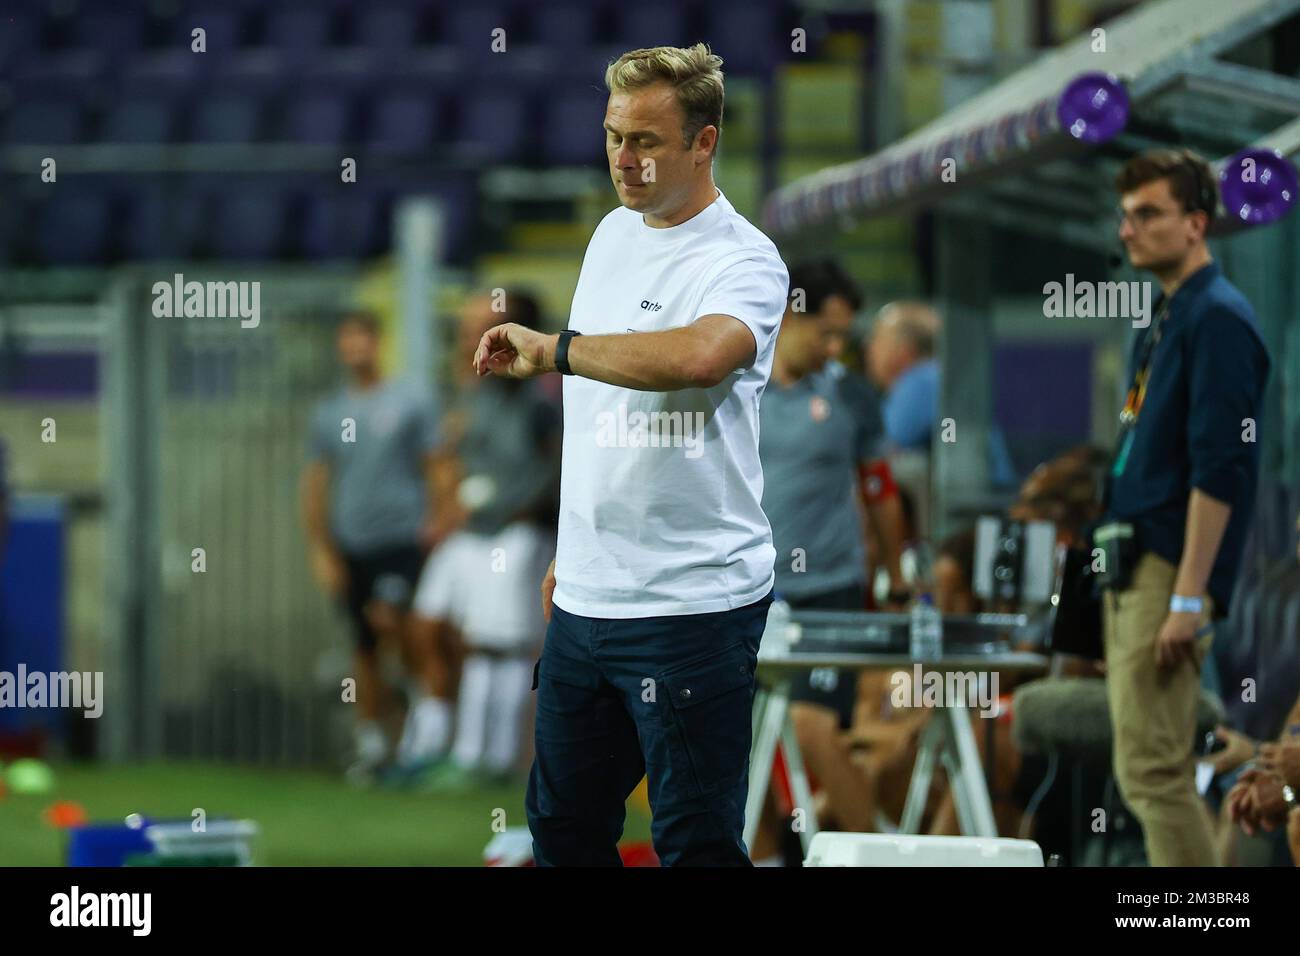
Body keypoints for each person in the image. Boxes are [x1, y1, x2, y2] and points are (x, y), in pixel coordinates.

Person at [470, 44, 788, 865]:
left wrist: (557, 350)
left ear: (703, 142)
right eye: (614, 137)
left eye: (647, 140)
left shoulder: (743, 257)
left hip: (692, 603)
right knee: (564, 836)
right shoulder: (610, 235)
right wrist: (572, 552)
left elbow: (699, 358)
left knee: (695, 843)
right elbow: (600, 410)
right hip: (586, 599)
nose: (624, 160)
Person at [1101, 147, 1271, 866]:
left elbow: (1221, 467)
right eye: (1125, 215)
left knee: (1154, 770)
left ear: (1196, 223)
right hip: (1137, 564)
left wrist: (1190, 597)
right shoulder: (1170, 314)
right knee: (1146, 766)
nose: (1128, 230)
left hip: (1170, 571)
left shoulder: (1220, 320)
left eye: (1148, 214)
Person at [752, 258, 904, 857]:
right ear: (789, 316)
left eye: (845, 334)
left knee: (815, 729)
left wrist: (896, 572)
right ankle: (766, 856)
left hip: (829, 589)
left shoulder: (851, 394)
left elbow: (880, 488)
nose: (837, 347)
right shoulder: (734, 382)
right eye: (827, 333)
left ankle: (873, 856)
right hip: (747, 591)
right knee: (735, 740)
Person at [410, 290, 561, 788]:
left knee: (500, 642)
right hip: (468, 531)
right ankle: (432, 740)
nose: (473, 334)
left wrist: (524, 507)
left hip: (514, 531)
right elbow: (449, 456)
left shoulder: (539, 399)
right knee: (427, 623)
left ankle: (489, 757)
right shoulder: (469, 392)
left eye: (486, 323)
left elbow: (559, 463)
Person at [300, 311, 448, 782]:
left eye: (363, 338)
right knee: (363, 646)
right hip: (351, 543)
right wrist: (322, 549)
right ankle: (372, 744)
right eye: (347, 340)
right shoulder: (329, 411)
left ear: (377, 342)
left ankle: (423, 736)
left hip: (400, 539)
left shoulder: (409, 401)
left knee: (399, 626)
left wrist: (438, 522)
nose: (355, 348)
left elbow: (437, 464)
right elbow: (316, 483)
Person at [866, 301, 1017, 489]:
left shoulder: (922, 381)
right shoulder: (941, 376)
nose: (870, 350)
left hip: (968, 506)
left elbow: (873, 454)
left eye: (877, 340)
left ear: (904, 351)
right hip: (982, 499)